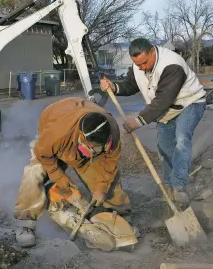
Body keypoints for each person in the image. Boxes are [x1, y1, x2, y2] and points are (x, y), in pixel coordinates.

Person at [13, 97, 134, 248]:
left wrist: (101, 188)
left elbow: (110, 162)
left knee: (109, 180)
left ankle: (121, 217)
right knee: (34, 173)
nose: (98, 150)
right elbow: (43, 154)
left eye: (100, 147)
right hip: (57, 141)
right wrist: (59, 177)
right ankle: (25, 223)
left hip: (79, 140)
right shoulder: (56, 133)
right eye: (93, 147)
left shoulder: (111, 130)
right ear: (82, 138)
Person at [100, 38, 206, 208]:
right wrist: (114, 87)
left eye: (144, 63)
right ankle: (169, 188)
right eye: (137, 64)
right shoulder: (138, 65)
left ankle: (179, 186)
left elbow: (163, 99)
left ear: (152, 51)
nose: (141, 68)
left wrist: (138, 120)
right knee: (164, 147)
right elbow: (130, 86)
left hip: (190, 103)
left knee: (181, 140)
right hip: (167, 109)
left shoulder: (172, 65)